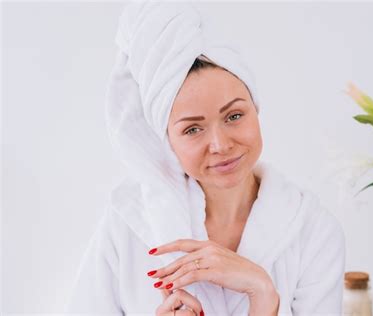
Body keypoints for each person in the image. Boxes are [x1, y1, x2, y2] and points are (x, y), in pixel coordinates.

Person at [65, 2, 345, 316]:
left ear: (256, 108)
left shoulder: (312, 230)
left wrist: (263, 294)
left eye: (235, 115)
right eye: (193, 129)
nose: (220, 145)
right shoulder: (128, 225)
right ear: (167, 140)